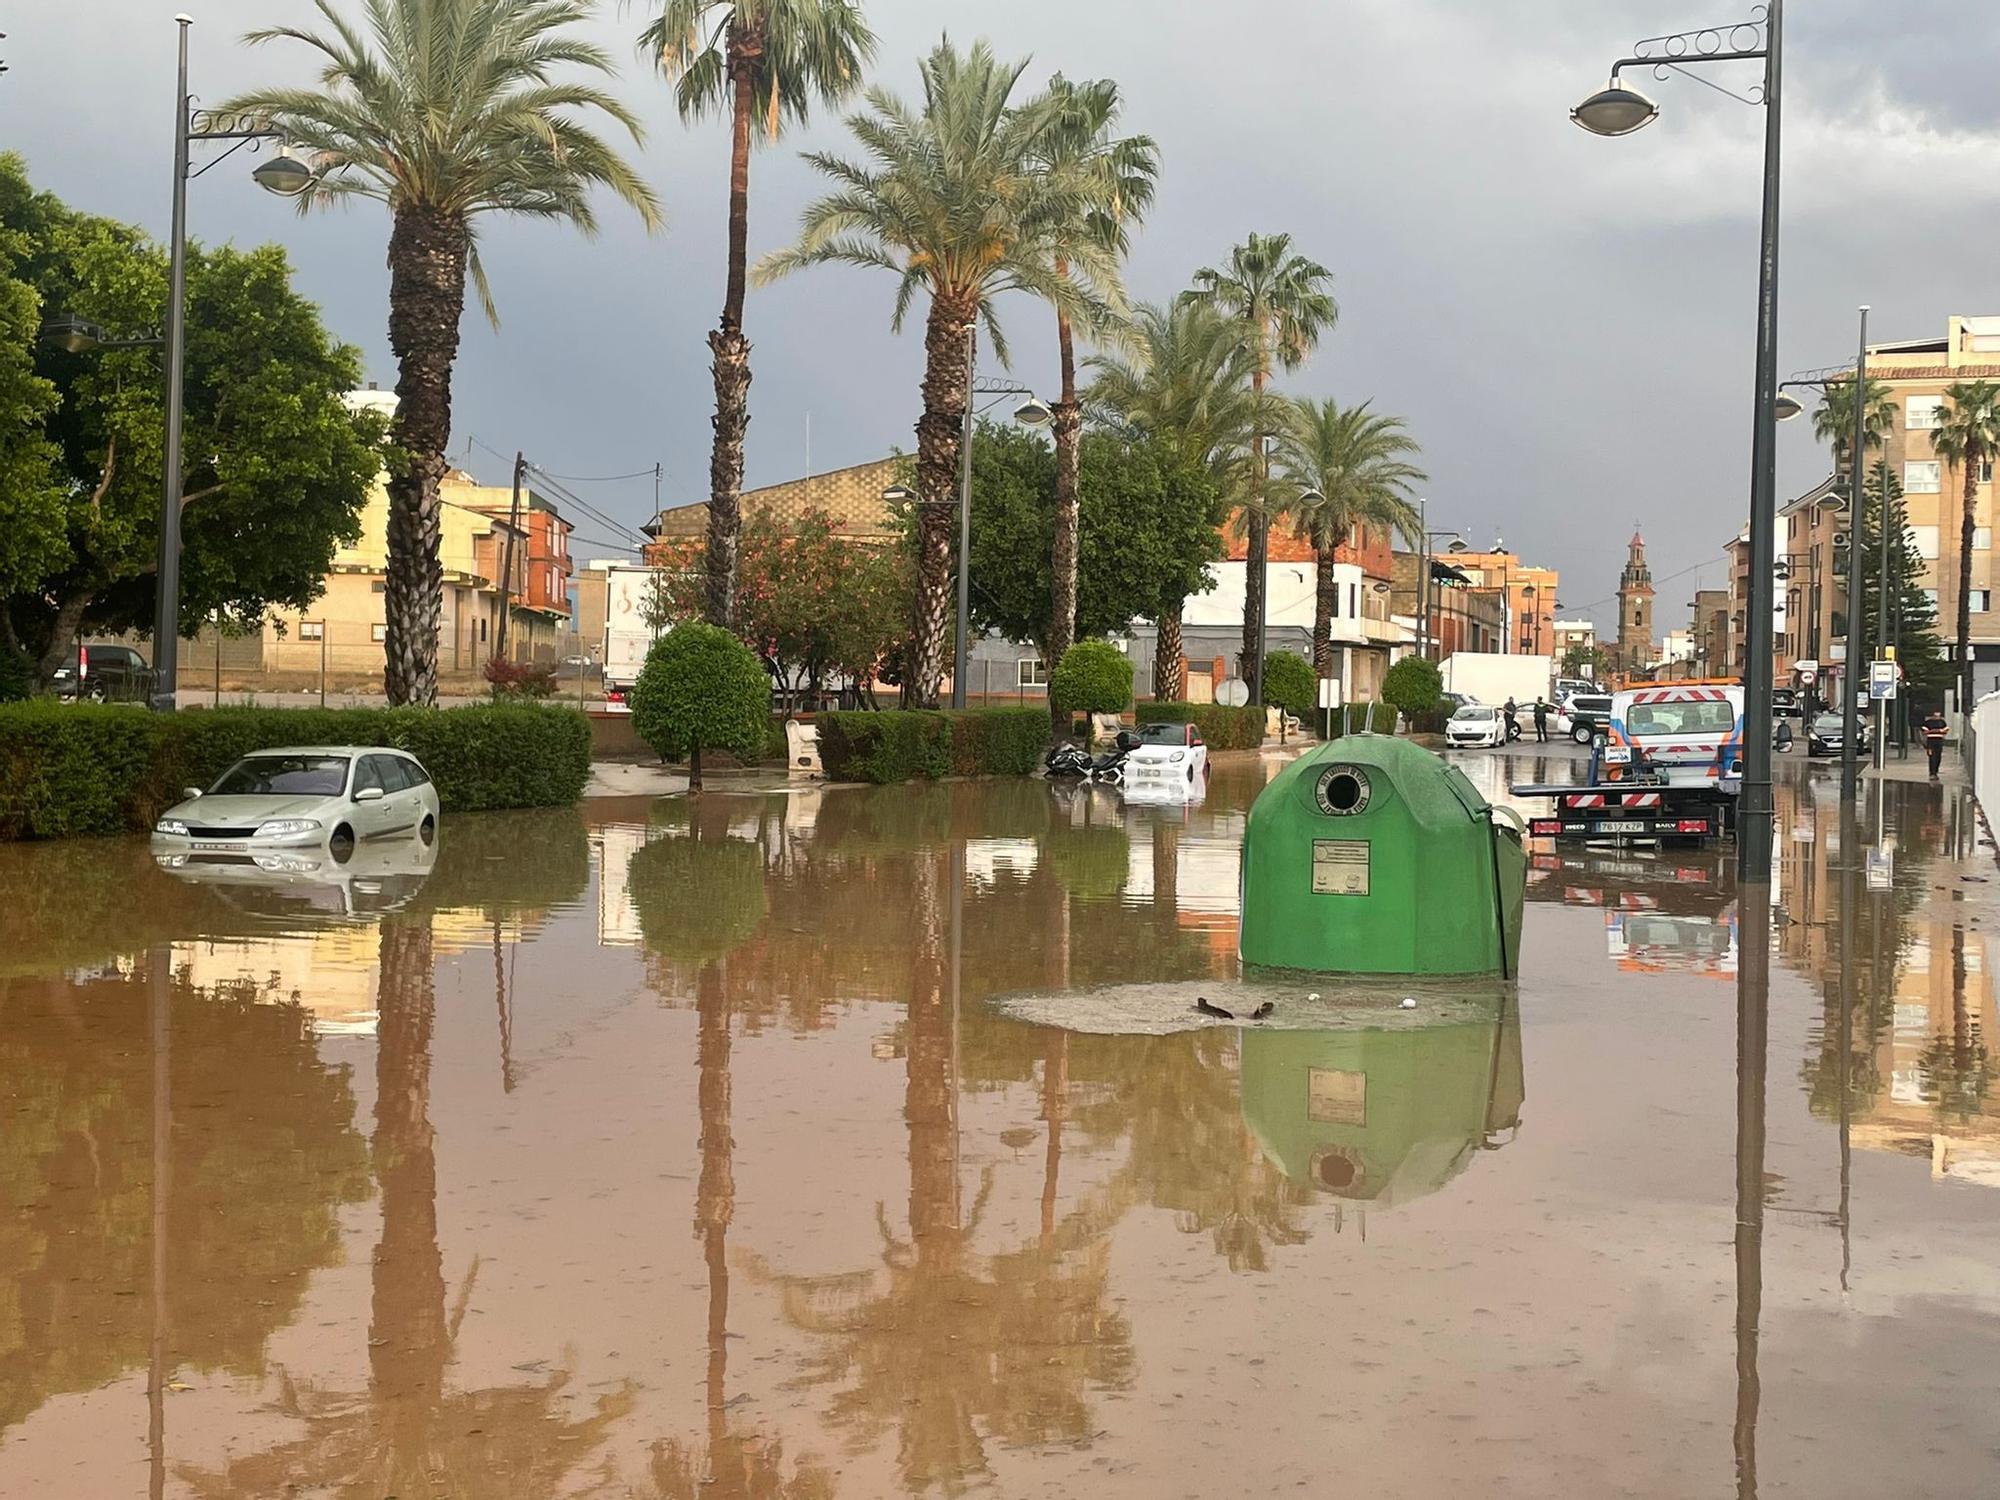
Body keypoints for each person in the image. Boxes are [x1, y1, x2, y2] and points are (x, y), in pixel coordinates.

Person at [1921, 707, 1949, 781]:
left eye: (1939, 716)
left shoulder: (1942, 722)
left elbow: (1945, 731)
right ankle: (1932, 773)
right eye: (1936, 716)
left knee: (1938, 757)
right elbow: (1924, 731)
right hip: (1930, 742)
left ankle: (1936, 771)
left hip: (1939, 741)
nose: (1937, 717)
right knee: (1932, 757)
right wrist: (1938, 730)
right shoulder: (1928, 722)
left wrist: (1933, 730)